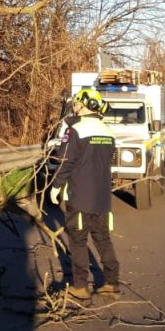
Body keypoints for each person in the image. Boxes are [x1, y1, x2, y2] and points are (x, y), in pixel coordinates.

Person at [48, 88, 121, 301]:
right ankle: (112, 282)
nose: (75, 107)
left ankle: (80, 286)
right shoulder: (108, 132)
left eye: (77, 104)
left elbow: (65, 162)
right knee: (103, 238)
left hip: (79, 195)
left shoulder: (75, 130)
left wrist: (55, 186)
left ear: (82, 105)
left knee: (78, 241)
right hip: (102, 196)